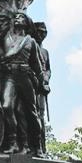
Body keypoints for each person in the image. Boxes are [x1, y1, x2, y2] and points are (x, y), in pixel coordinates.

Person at [0, 10, 44, 156]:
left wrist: (42, 82)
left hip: (24, 76)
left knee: (30, 112)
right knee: (7, 106)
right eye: (16, 17)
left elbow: (37, 65)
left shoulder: (30, 41)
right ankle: (12, 142)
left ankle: (36, 145)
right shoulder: (6, 37)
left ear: (26, 22)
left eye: (21, 17)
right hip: (10, 76)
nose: (17, 18)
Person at [34, 21, 51, 153]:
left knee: (40, 115)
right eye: (39, 32)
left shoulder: (45, 52)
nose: (41, 35)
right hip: (31, 84)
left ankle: (41, 147)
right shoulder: (30, 47)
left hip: (41, 89)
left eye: (44, 32)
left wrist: (46, 79)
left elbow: (48, 69)